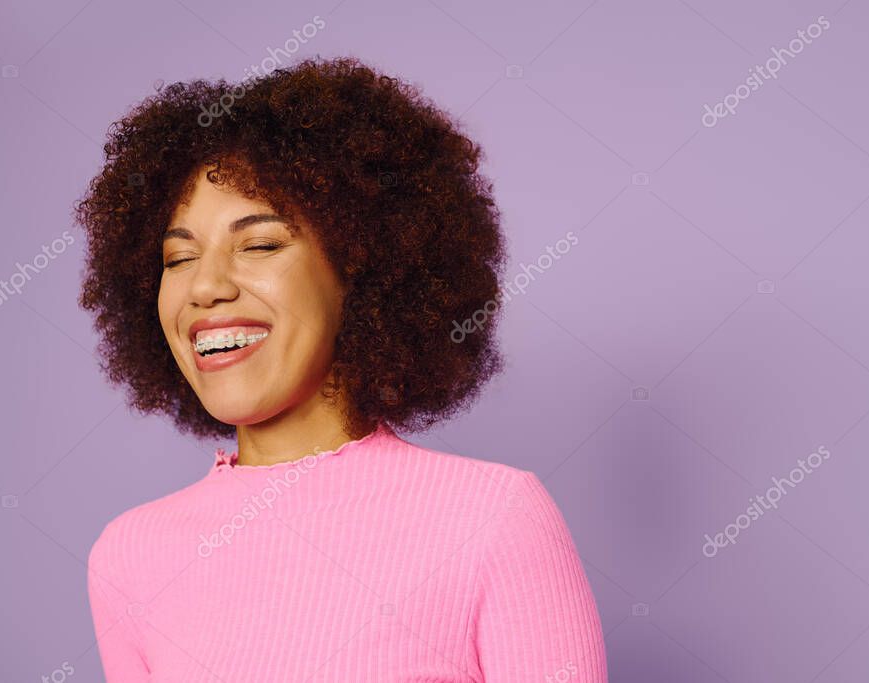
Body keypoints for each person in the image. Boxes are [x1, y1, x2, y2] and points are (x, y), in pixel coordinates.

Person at [76, 55, 607, 681]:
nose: (206, 287)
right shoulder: (131, 555)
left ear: (361, 271)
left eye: (261, 244)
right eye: (178, 257)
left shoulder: (493, 518)